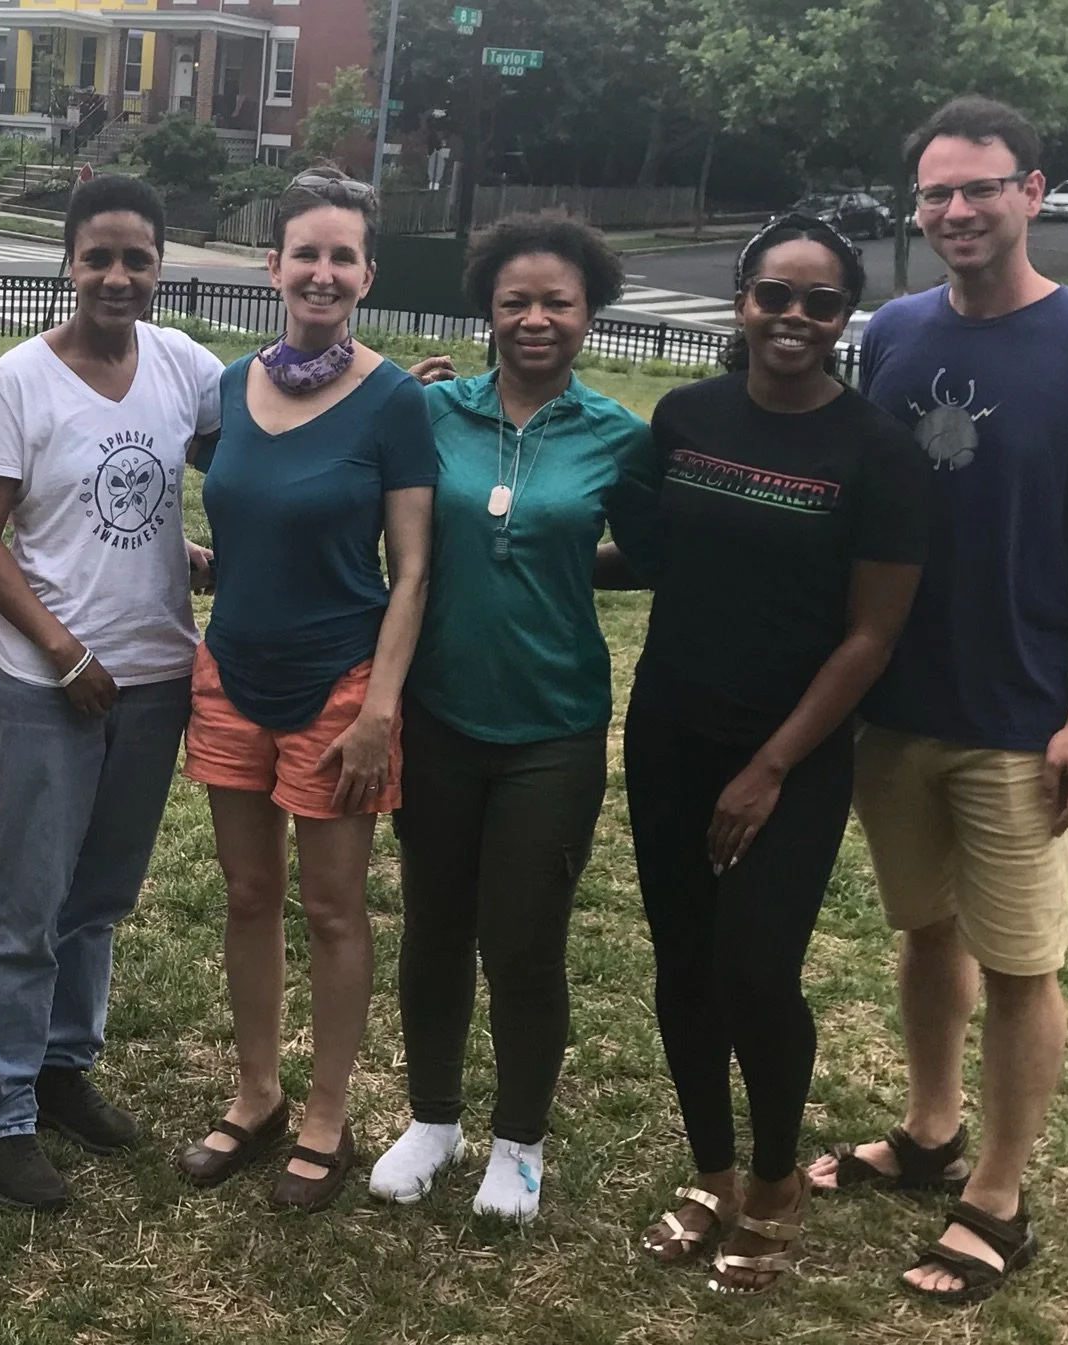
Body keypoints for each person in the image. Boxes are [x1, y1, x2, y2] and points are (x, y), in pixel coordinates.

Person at [805, 96, 1068, 1303]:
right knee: (923, 933)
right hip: (894, 703)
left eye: (978, 187)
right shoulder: (894, 330)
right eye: (933, 193)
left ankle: (997, 1199)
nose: (955, 211)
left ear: (1032, 189)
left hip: (1017, 716)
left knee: (1018, 965)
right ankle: (926, 1132)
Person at [621, 215, 929, 1292]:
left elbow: (870, 636)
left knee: (754, 970)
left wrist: (768, 768)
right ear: (742, 300)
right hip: (665, 733)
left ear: (844, 319)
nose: (793, 317)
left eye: (819, 302)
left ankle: (772, 1176)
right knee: (680, 966)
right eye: (774, 295)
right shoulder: (685, 418)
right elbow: (647, 555)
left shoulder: (876, 451)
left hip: (788, 758)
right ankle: (709, 1170)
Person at [366, 212, 652, 1224]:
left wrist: (569, 565)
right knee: (433, 926)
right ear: (487, 310)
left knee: (522, 940)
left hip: (552, 725)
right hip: (438, 712)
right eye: (514, 302)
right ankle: (432, 1119)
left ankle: (517, 1144)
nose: (535, 319)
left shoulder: (619, 437)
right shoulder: (433, 412)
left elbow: (656, 555)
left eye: (556, 303)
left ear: (587, 312)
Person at [0, 175, 223, 1211]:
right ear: (68, 263)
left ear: (159, 267)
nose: (117, 275)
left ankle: (63, 1069)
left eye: (137, 257)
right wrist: (60, 649)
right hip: (47, 686)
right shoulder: (18, 381)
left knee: (98, 900)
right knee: (28, 903)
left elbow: (268, 431)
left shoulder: (184, 367)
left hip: (153, 678)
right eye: (98, 256)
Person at [173, 168, 436, 1212]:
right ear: (272, 265)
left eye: (342, 256)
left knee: (330, 907)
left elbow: (411, 568)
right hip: (229, 671)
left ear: (365, 274)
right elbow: (227, 508)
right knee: (246, 896)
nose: (321, 272)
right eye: (305, 253)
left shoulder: (392, 399)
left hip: (339, 687)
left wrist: (379, 707)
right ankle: (255, 1095)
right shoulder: (229, 387)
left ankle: (326, 1110)